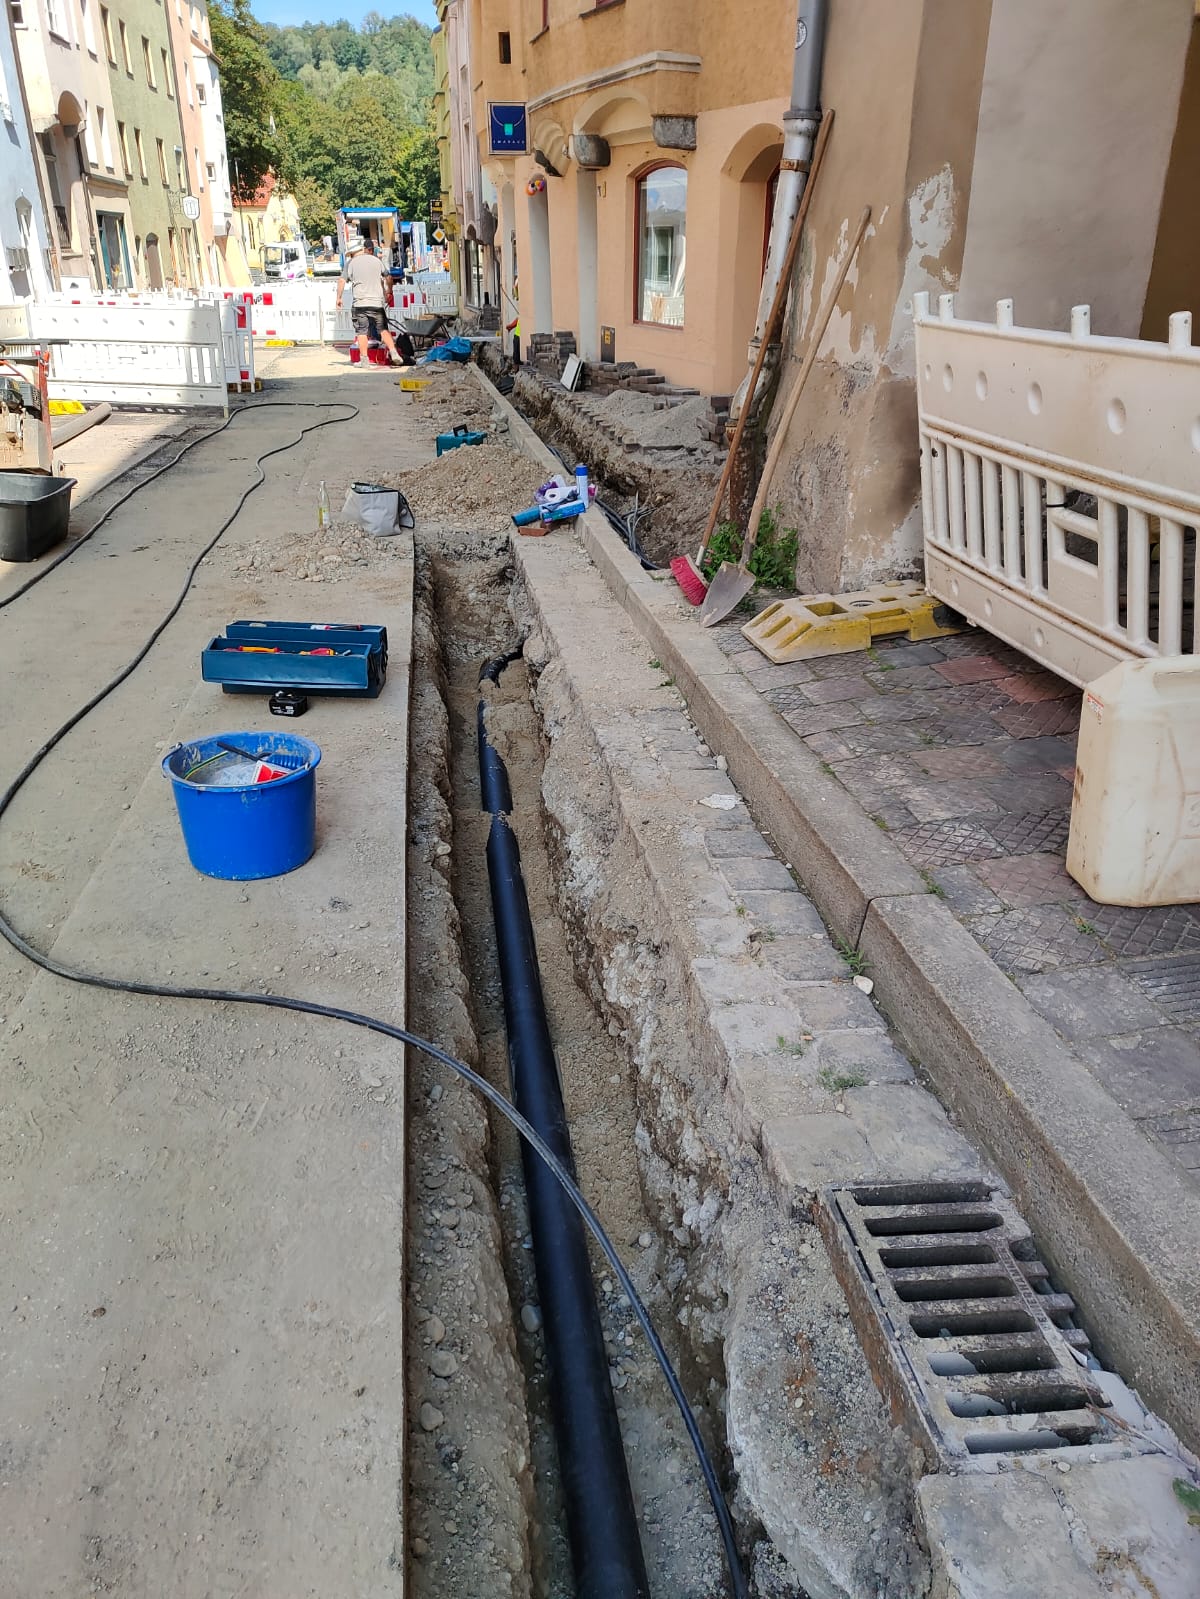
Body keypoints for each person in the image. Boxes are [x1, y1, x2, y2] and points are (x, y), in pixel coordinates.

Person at [336, 238, 411, 370]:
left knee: (362, 331)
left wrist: (339, 298)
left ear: (352, 253)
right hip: (376, 303)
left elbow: (342, 280)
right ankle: (394, 353)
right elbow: (388, 278)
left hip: (360, 303)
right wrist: (389, 292)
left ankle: (364, 360)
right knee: (382, 329)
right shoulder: (376, 261)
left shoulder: (351, 263)